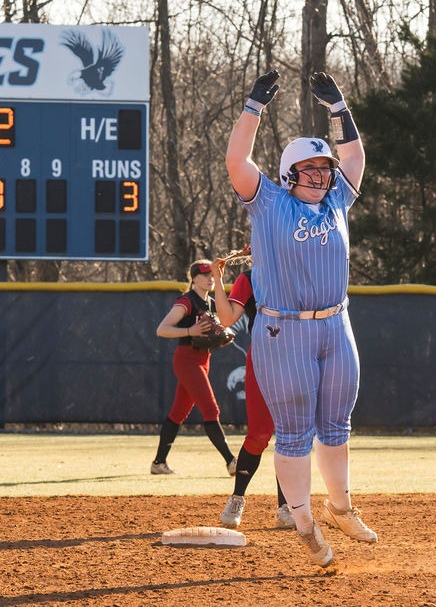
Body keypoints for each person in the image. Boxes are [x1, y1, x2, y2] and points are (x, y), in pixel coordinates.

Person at [225, 69, 376, 568]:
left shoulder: (337, 200)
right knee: (293, 432)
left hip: (337, 324)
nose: (321, 174)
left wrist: (340, 110)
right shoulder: (268, 202)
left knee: (337, 425)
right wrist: (253, 108)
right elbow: (236, 160)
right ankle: (305, 524)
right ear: (290, 174)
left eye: (323, 168)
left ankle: (342, 508)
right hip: (283, 328)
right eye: (310, 169)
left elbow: (353, 156)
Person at [211, 247, 295, 530]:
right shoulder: (249, 278)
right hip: (263, 358)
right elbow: (225, 319)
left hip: (297, 359)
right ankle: (237, 498)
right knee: (259, 434)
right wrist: (217, 278)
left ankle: (286, 506)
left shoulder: (298, 274)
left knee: (290, 436)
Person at [151, 259, 237, 477]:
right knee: (211, 410)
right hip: (187, 359)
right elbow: (162, 330)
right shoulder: (186, 301)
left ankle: (159, 463)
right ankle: (231, 461)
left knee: (179, 412)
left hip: (202, 359)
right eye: (205, 275)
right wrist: (190, 330)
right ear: (194, 278)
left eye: (212, 275)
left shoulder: (209, 301)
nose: (209, 278)